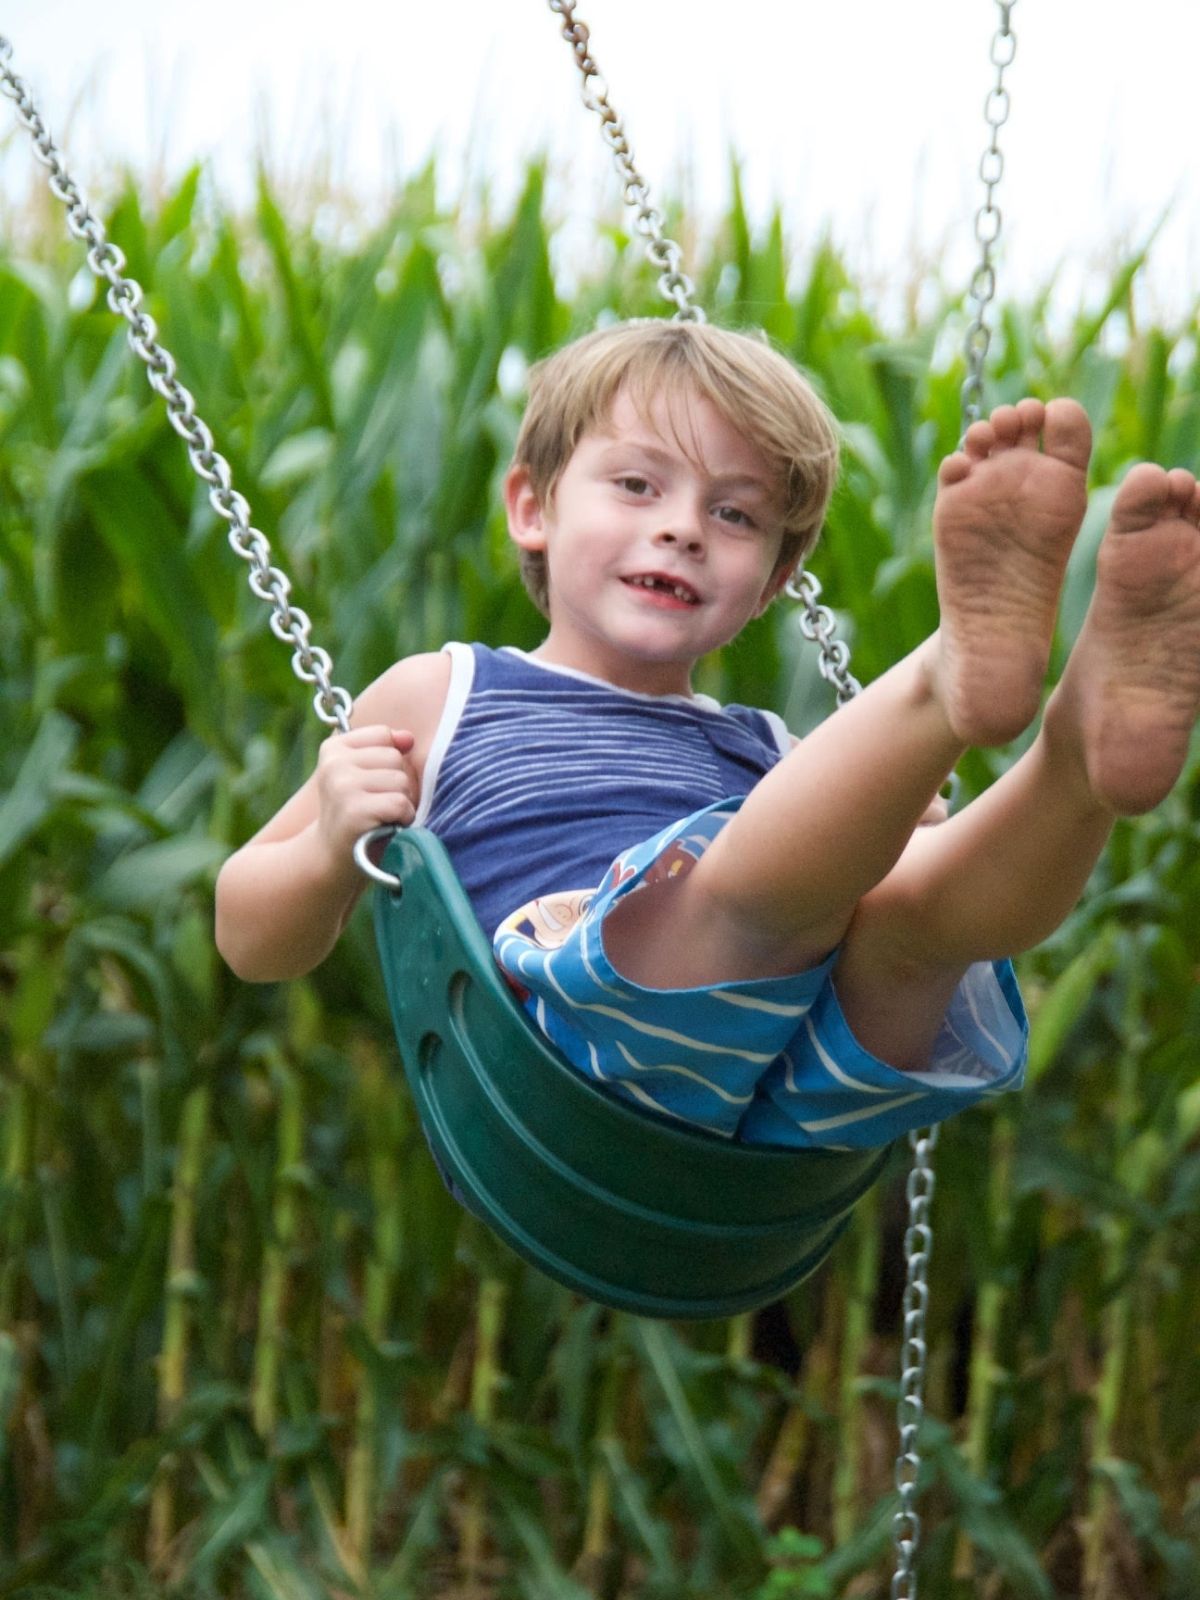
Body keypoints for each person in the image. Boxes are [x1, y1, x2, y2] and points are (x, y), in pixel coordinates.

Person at [214, 319, 1200, 1150]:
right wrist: (329, 845)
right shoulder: (445, 693)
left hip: (796, 1109)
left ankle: (1081, 758)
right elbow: (248, 933)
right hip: (570, 1049)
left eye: (735, 514)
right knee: (729, 885)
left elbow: (862, 892)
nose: (684, 528)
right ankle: (953, 679)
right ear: (532, 506)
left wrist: (896, 826)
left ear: (774, 582)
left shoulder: (771, 749)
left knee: (915, 920)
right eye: (638, 487)